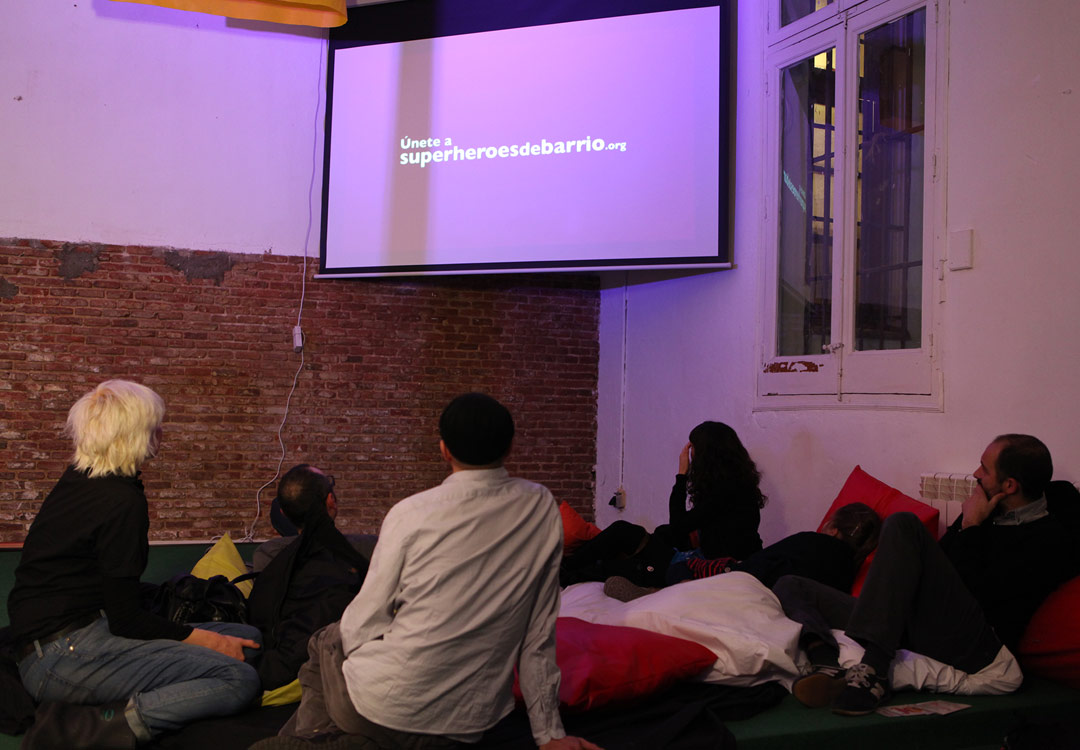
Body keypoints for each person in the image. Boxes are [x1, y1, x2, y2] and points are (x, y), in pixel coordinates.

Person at [255, 393, 602, 750]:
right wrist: (550, 736)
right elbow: (538, 637)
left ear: (444, 450)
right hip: (471, 723)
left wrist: (371, 652)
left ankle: (315, 739)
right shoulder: (542, 507)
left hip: (382, 708)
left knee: (327, 639)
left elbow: (365, 620)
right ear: (510, 447)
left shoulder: (410, 513)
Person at [8, 380, 262, 748]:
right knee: (239, 679)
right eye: (156, 426)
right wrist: (208, 641)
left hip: (77, 634)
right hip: (61, 657)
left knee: (247, 639)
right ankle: (100, 726)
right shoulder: (121, 501)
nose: (162, 433)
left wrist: (212, 641)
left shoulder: (80, 479)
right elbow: (127, 619)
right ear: (134, 435)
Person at [776, 434, 1080, 715]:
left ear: (1010, 485)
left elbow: (978, 596)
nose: (976, 473)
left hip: (977, 643)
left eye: (985, 470)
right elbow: (938, 563)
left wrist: (971, 527)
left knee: (903, 524)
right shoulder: (987, 511)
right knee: (792, 585)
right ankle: (827, 664)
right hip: (924, 623)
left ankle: (874, 671)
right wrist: (969, 526)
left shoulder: (1047, 540)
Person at [560, 421, 765, 588]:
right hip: (702, 557)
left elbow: (679, 526)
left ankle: (563, 572)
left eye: (693, 448)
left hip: (703, 566)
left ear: (706, 454)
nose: (690, 454)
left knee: (622, 540)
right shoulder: (736, 486)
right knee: (642, 535)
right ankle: (565, 568)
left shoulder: (726, 491)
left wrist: (681, 475)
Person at [247, 464, 369, 691]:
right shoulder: (348, 568)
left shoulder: (271, 568)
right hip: (299, 675)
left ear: (283, 514)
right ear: (331, 501)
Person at [606, 502, 880, 602]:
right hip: (753, 578)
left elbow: (764, 563)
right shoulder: (847, 573)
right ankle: (661, 592)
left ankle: (659, 596)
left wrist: (733, 569)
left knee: (677, 566)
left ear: (834, 529)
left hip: (745, 579)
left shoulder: (813, 541)